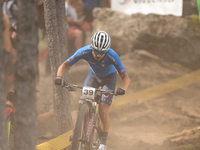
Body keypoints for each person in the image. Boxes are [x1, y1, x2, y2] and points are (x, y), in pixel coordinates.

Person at [54, 31, 130, 150]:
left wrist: (123, 89)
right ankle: (77, 131)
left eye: (102, 52)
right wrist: (59, 77)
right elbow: (65, 65)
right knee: (83, 100)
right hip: (93, 76)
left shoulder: (112, 55)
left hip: (109, 79)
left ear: (107, 50)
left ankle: (103, 142)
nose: (98, 55)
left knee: (103, 110)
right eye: (96, 51)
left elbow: (125, 77)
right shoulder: (84, 51)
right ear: (91, 47)